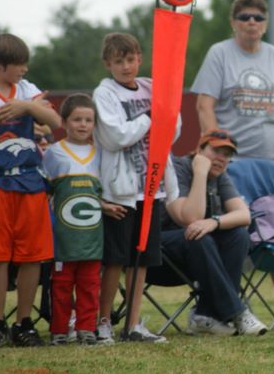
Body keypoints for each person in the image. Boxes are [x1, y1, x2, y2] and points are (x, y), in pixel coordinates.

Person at [191, 0, 274, 330]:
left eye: (258, 17)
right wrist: (217, 149)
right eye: (244, 17)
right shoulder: (220, 54)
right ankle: (223, 305)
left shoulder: (273, 55)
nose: (252, 23)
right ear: (233, 22)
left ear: (266, 24)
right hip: (234, 163)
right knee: (235, 231)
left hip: (271, 163)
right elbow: (204, 105)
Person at [93, 32, 179, 344]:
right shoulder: (104, 94)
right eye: (119, 61)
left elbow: (173, 127)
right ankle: (103, 321)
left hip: (152, 187)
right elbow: (116, 136)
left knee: (141, 259)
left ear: (140, 58)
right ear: (108, 64)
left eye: (130, 60)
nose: (126, 66)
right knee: (115, 259)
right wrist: (149, 119)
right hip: (121, 190)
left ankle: (132, 323)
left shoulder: (151, 87)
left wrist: (160, 118)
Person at [0, 33, 61, 347]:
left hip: (30, 180)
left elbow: (54, 120)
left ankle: (23, 322)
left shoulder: (27, 89)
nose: (25, 69)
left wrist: (26, 107)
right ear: (0, 65)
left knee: (33, 255)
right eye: (19, 64)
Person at [162, 129, 267, 337]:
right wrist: (200, 173)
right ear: (199, 150)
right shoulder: (178, 169)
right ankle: (238, 313)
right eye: (215, 151)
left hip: (203, 259)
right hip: (161, 256)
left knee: (238, 235)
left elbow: (244, 215)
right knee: (198, 236)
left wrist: (214, 222)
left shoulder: (220, 176)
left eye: (227, 154)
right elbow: (190, 218)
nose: (221, 158)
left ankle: (205, 315)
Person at [42, 93, 103, 346]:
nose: (83, 125)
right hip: (64, 238)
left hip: (92, 236)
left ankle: (86, 328)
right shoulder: (54, 153)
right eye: (77, 119)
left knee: (90, 284)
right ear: (64, 121)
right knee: (62, 285)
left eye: (88, 120)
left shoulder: (100, 153)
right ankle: (59, 330)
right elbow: (45, 193)